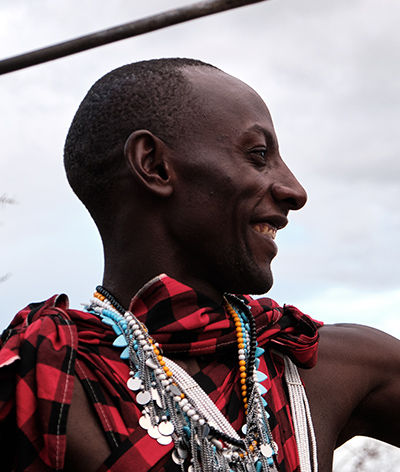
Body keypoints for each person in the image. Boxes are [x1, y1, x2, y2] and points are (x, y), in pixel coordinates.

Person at [0, 58, 399, 472]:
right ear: (154, 165)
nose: (295, 191)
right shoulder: (53, 382)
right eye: (259, 155)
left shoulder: (321, 365)